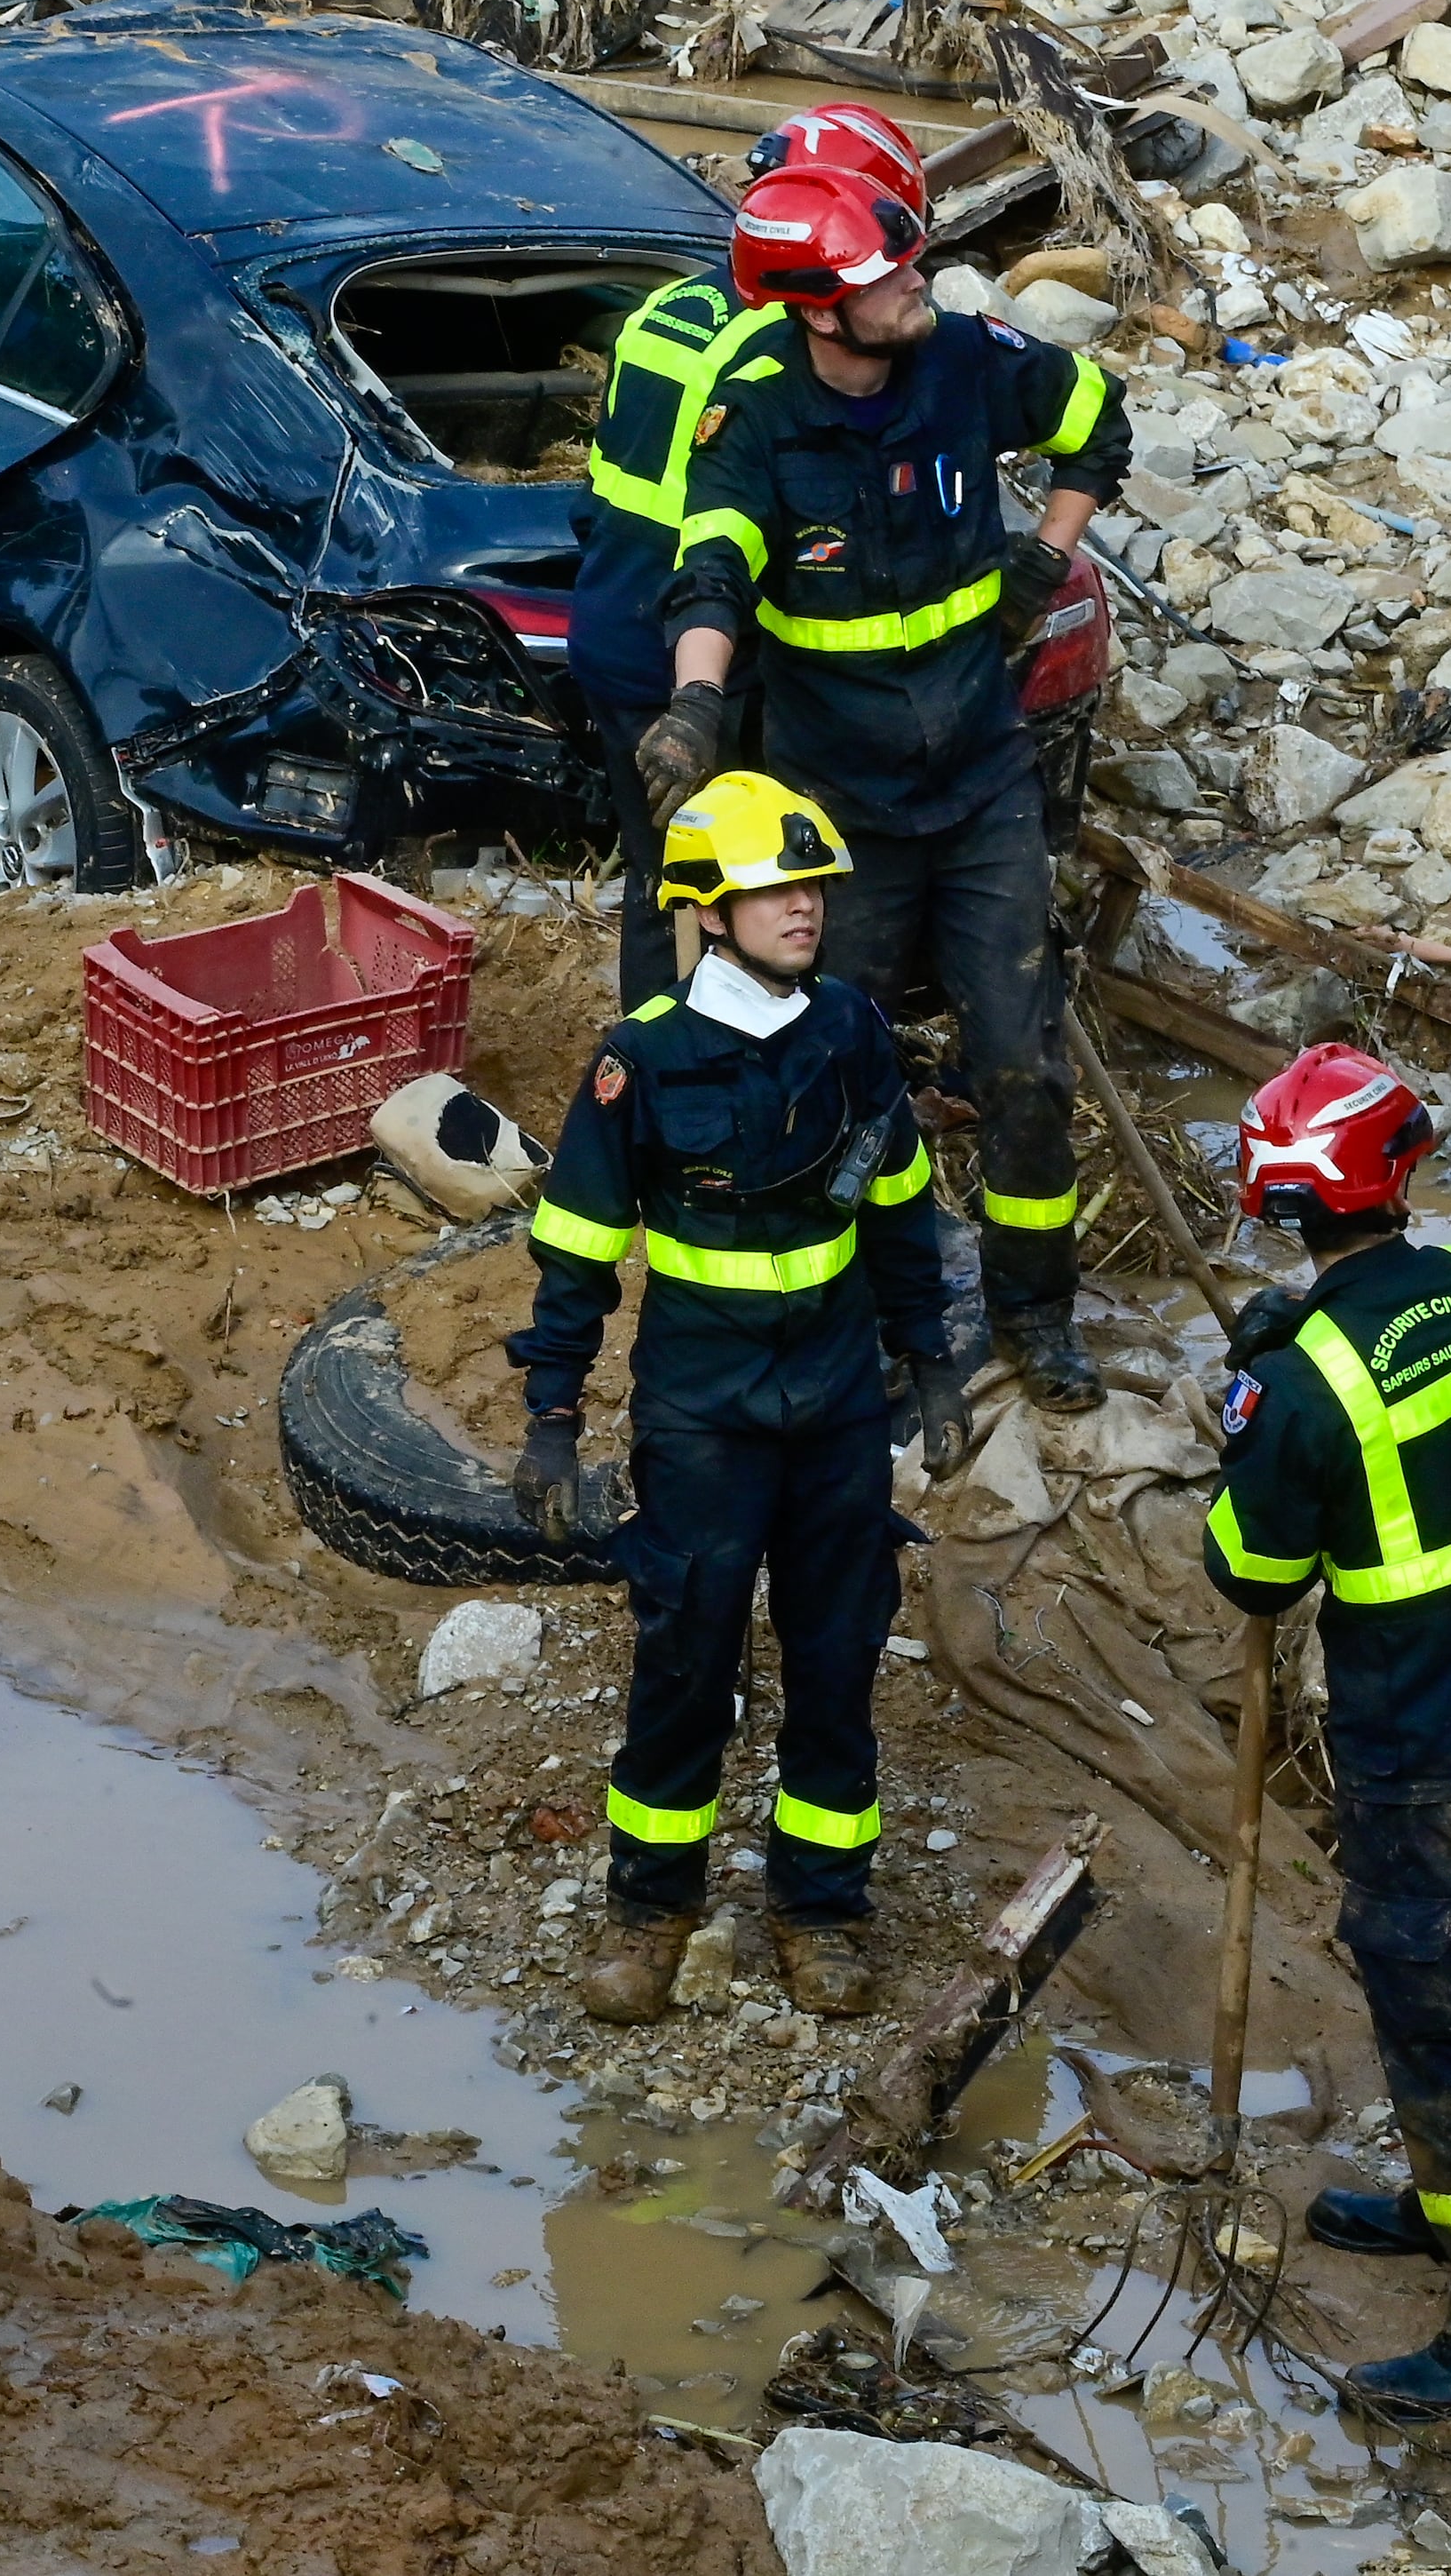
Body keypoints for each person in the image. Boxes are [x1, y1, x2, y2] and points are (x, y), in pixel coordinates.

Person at [648, 162, 1133, 1411]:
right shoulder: (755, 416)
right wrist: (695, 706)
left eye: (910, 259)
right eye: (888, 274)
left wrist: (1044, 558)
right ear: (819, 309)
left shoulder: (967, 359)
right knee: (831, 1074)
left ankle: (1036, 1314)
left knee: (1022, 1068)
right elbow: (710, 572)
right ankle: (853, 1319)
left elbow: (1099, 421)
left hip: (980, 782)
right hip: (839, 810)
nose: (918, 281)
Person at [504, 772, 957, 2024]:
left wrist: (928, 1359)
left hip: (837, 1406)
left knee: (836, 1655)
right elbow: (578, 1249)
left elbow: (899, 1204)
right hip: (702, 1412)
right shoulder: (642, 1059)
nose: (804, 907)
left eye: (811, 886)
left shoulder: (849, 1029)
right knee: (686, 1657)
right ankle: (650, 1910)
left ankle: (821, 1912)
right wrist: (552, 1418)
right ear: (708, 907)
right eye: (774, 889)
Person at [1197, 1042, 1451, 2421]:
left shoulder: (1301, 1388)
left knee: (1438, 2027)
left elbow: (1252, 1571)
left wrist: (1253, 1404)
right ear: (1401, 1173)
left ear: (1284, 1207)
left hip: (1421, 1744)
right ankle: (1448, 2197)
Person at [563, 107, 920, 1010]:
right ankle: (747, 1060)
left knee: (666, 881)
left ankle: (659, 1057)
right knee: (762, 877)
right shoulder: (780, 354)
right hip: (712, 661)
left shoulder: (672, 306)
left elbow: (600, 488)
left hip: (614, 625)